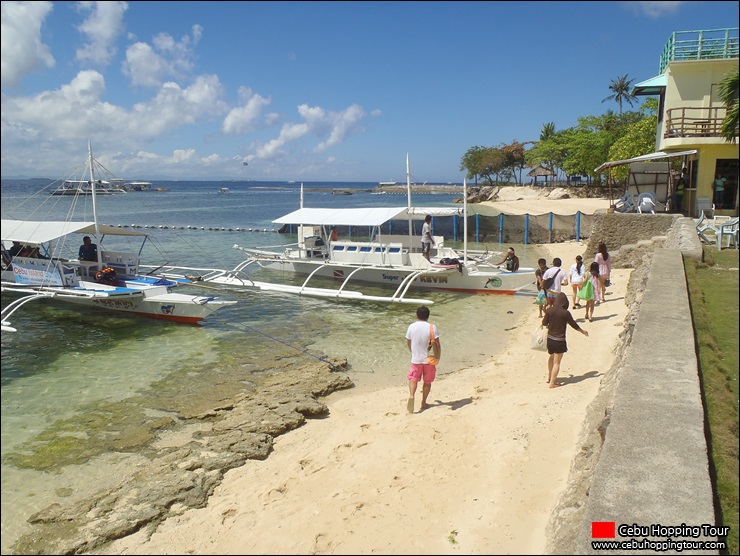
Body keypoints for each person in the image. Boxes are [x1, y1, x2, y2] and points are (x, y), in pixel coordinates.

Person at [542, 292, 588, 388]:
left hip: (550, 339)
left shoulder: (549, 310)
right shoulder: (565, 313)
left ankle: (550, 377)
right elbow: (573, 325)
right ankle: (552, 383)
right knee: (557, 362)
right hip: (559, 340)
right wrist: (582, 331)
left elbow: (544, 323)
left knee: (551, 357)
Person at [405, 305, 440, 413]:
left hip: (416, 359)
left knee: (413, 379)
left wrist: (413, 352)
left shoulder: (411, 326)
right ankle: (423, 402)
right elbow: (437, 344)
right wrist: (438, 356)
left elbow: (409, 342)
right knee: (427, 382)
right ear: (428, 316)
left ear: (417, 315)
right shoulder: (432, 327)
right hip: (429, 360)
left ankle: (411, 395)